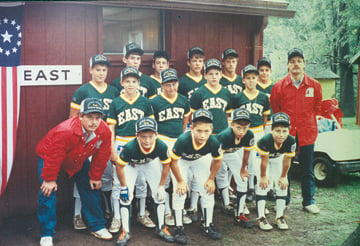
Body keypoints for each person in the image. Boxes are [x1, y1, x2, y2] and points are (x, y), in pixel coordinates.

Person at [36, 98, 113, 246]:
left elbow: (102, 154)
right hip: (49, 157)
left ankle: (97, 226)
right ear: (80, 116)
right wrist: (49, 178)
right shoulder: (65, 131)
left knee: (91, 186)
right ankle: (46, 233)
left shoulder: (104, 130)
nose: (93, 122)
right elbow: (54, 155)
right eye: (89, 117)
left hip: (78, 156)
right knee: (47, 190)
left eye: (97, 117)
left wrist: (96, 176)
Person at [69, 54, 119, 230]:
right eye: (97, 69)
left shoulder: (113, 91)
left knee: (104, 176)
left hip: (104, 141)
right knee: (83, 177)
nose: (101, 73)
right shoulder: (82, 91)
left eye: (104, 69)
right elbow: (73, 119)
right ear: (90, 70)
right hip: (86, 140)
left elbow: (116, 118)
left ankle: (104, 209)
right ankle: (77, 214)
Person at [270, 48, 322, 214]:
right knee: (285, 168)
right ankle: (284, 199)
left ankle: (308, 201)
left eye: (299, 61)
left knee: (307, 168)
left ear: (304, 64)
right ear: (287, 65)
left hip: (307, 132)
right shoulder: (279, 86)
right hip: (287, 135)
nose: (296, 64)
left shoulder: (315, 85)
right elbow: (276, 108)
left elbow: (317, 107)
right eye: (292, 61)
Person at [107, 67, 155, 233]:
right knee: (119, 182)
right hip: (121, 142)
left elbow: (152, 128)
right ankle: (117, 217)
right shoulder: (116, 102)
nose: (130, 84)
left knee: (142, 180)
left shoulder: (145, 102)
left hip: (141, 143)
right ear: (121, 83)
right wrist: (112, 148)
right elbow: (111, 128)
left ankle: (142, 213)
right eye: (127, 81)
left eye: (134, 81)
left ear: (138, 83)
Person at [115, 117, 174, 246]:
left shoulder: (161, 145)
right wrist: (124, 186)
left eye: (150, 136)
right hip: (132, 165)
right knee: (125, 196)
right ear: (137, 135)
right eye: (143, 136)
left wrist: (161, 185)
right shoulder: (130, 147)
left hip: (150, 163)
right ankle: (125, 230)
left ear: (156, 135)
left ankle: (161, 227)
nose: (147, 140)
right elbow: (119, 166)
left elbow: (166, 165)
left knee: (159, 195)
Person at [170, 109, 223, 244]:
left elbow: (218, 160)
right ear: (191, 128)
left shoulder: (213, 141)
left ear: (211, 129)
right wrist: (180, 181)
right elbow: (173, 162)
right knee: (179, 191)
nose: (203, 135)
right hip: (181, 161)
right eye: (199, 131)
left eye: (206, 131)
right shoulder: (183, 140)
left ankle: (207, 224)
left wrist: (211, 178)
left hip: (200, 159)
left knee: (207, 189)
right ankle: (178, 226)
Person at [150, 68, 191, 226]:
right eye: (168, 85)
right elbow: (153, 126)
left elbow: (185, 122)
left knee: (179, 177)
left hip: (178, 141)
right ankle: (167, 211)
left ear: (178, 84)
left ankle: (179, 210)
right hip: (162, 139)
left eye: (174, 84)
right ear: (162, 85)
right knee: (164, 178)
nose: (171, 87)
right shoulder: (154, 101)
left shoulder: (183, 100)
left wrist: (181, 138)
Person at [233, 65, 270, 202]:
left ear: (257, 79)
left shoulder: (262, 97)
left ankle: (255, 188)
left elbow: (265, 117)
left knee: (257, 161)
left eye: (253, 78)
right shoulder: (238, 97)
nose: (251, 81)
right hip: (243, 132)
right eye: (248, 78)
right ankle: (245, 188)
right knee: (244, 161)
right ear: (243, 80)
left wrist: (260, 129)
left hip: (258, 131)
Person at [255, 112, 296, 230]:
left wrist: (284, 176)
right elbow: (264, 162)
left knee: (282, 184)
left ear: (289, 130)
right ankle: (261, 217)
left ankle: (280, 216)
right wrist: (263, 176)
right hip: (262, 158)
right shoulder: (265, 140)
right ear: (271, 130)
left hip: (278, 157)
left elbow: (287, 160)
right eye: (278, 131)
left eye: (284, 131)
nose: (281, 134)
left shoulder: (291, 140)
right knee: (263, 184)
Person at [215, 108, 254, 228]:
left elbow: (247, 153)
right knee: (220, 174)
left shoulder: (249, 134)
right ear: (231, 124)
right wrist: (211, 176)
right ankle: (225, 203)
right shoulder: (225, 136)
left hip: (231, 154)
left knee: (243, 178)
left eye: (245, 127)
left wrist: (243, 169)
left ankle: (239, 214)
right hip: (215, 155)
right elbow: (216, 157)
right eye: (238, 127)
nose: (242, 131)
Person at [190, 58, 232, 135]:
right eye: (210, 74)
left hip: (223, 132)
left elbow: (228, 114)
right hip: (205, 134)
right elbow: (193, 116)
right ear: (205, 75)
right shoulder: (198, 93)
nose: (214, 77)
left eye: (216, 74)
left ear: (221, 75)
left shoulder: (226, 93)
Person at [256, 57, 276, 201]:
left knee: (273, 157)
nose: (264, 73)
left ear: (270, 71)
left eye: (266, 70)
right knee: (259, 157)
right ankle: (255, 186)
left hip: (272, 124)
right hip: (258, 125)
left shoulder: (275, 87)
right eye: (261, 70)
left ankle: (270, 187)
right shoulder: (253, 86)